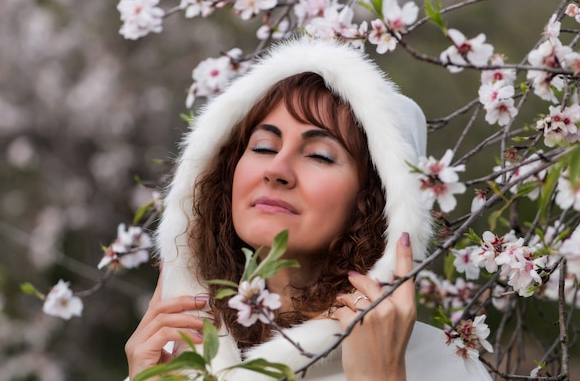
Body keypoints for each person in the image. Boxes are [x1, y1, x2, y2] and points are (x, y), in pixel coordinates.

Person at [125, 38, 492, 380]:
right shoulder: (177, 356)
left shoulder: (441, 365)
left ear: (377, 200)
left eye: (319, 155)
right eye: (264, 147)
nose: (277, 170)